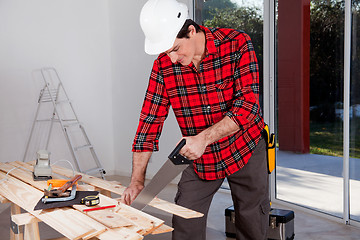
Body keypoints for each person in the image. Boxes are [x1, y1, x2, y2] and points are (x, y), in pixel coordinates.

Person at [121, 0, 270, 239]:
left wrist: (203, 138)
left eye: (175, 48)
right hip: (201, 158)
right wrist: (137, 181)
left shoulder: (237, 44)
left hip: (245, 148)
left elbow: (248, 106)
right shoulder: (163, 66)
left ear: (191, 30)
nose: (171, 59)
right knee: (184, 222)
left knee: (251, 221)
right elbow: (149, 123)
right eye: (166, 52)